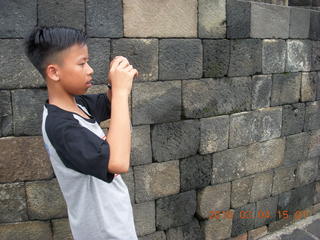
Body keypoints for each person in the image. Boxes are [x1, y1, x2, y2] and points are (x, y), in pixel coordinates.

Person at [23, 25, 139, 240]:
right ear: (54, 71)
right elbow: (117, 162)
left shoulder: (78, 105)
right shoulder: (60, 126)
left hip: (114, 221)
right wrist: (122, 92)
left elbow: (109, 102)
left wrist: (115, 83)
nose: (90, 69)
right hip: (103, 231)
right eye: (82, 63)